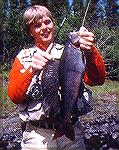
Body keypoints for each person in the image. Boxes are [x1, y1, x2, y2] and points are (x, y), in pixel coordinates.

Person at [8, 5, 106, 150]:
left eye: (47, 22)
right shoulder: (23, 57)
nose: (44, 28)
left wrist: (91, 51)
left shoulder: (72, 50)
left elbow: (97, 80)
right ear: (30, 32)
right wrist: (31, 71)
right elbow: (14, 96)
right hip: (37, 136)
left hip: (73, 134)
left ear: (53, 24)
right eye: (37, 25)